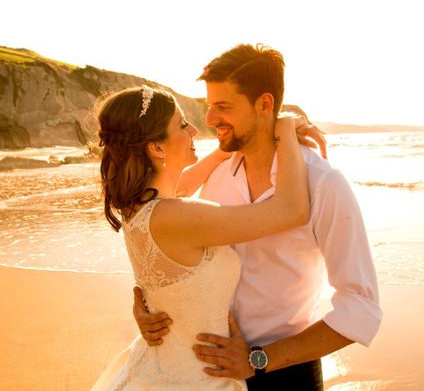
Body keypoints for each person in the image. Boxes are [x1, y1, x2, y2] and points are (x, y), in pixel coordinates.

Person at [133, 44, 383, 390]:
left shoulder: (324, 185)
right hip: (209, 371)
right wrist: (149, 305)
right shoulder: (217, 179)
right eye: (209, 106)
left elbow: (361, 307)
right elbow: (169, 243)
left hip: (288, 372)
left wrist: (258, 360)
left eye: (223, 107)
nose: (209, 120)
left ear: (264, 105)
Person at [90, 85, 311, 390]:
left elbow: (181, 187)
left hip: (160, 367)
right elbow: (291, 211)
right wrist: (285, 127)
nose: (194, 128)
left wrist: (225, 149)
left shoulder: (137, 210)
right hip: (198, 379)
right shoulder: (179, 216)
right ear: (156, 148)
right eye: (182, 125)